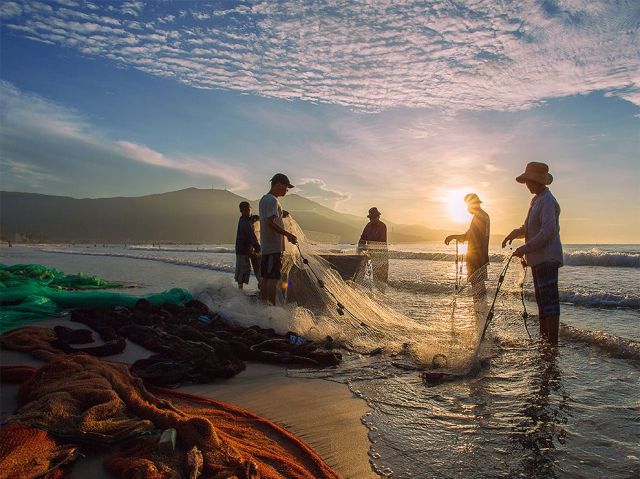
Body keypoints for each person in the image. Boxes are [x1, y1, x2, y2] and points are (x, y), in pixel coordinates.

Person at [502, 162, 563, 344]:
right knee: (542, 301)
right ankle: (545, 340)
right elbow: (529, 228)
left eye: (529, 181)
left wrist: (524, 249)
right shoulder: (536, 200)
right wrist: (515, 233)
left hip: (547, 258)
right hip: (537, 260)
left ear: (537, 181)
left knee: (549, 302)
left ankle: (551, 341)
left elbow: (547, 231)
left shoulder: (547, 201)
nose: (527, 185)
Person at [259, 173, 297, 304]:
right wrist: (288, 235)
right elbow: (270, 223)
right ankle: (271, 307)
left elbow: (270, 219)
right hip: (273, 247)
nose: (286, 190)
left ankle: (264, 306)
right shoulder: (273, 200)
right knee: (272, 279)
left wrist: (281, 213)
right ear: (279, 184)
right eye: (286, 187)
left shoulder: (265, 199)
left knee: (266, 277)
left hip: (266, 246)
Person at [444, 193, 490, 293]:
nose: (467, 209)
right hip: (480, 257)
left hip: (477, 257)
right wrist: (455, 236)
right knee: (478, 285)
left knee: (477, 286)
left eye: (467, 205)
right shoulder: (482, 216)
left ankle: (480, 307)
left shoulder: (480, 217)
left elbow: (469, 236)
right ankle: (480, 308)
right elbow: (470, 235)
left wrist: (453, 236)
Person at [234, 201, 261, 290]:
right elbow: (251, 235)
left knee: (257, 265)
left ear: (250, 209)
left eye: (248, 209)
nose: (247, 211)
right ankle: (240, 289)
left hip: (249, 249)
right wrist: (258, 247)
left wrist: (256, 218)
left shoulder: (248, 219)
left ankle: (261, 284)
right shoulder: (244, 221)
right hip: (242, 249)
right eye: (245, 210)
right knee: (243, 269)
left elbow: (253, 218)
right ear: (241, 211)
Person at [358, 207, 388, 283]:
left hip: (381, 255)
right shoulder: (368, 226)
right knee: (374, 278)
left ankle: (382, 293)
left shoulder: (382, 226)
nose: (372, 219)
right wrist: (360, 251)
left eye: (374, 217)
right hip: (371, 254)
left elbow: (381, 242)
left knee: (382, 279)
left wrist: (368, 249)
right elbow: (362, 239)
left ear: (378, 217)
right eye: (371, 218)